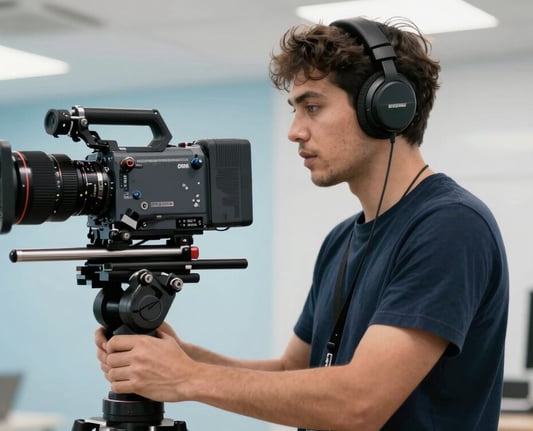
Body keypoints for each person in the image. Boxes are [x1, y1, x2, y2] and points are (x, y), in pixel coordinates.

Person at [95, 17, 509, 431]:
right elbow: (294, 371)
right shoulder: (342, 239)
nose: (295, 132)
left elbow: (359, 403)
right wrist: (180, 357)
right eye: (295, 111)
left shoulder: (450, 227)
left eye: (313, 107)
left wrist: (188, 378)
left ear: (385, 108)